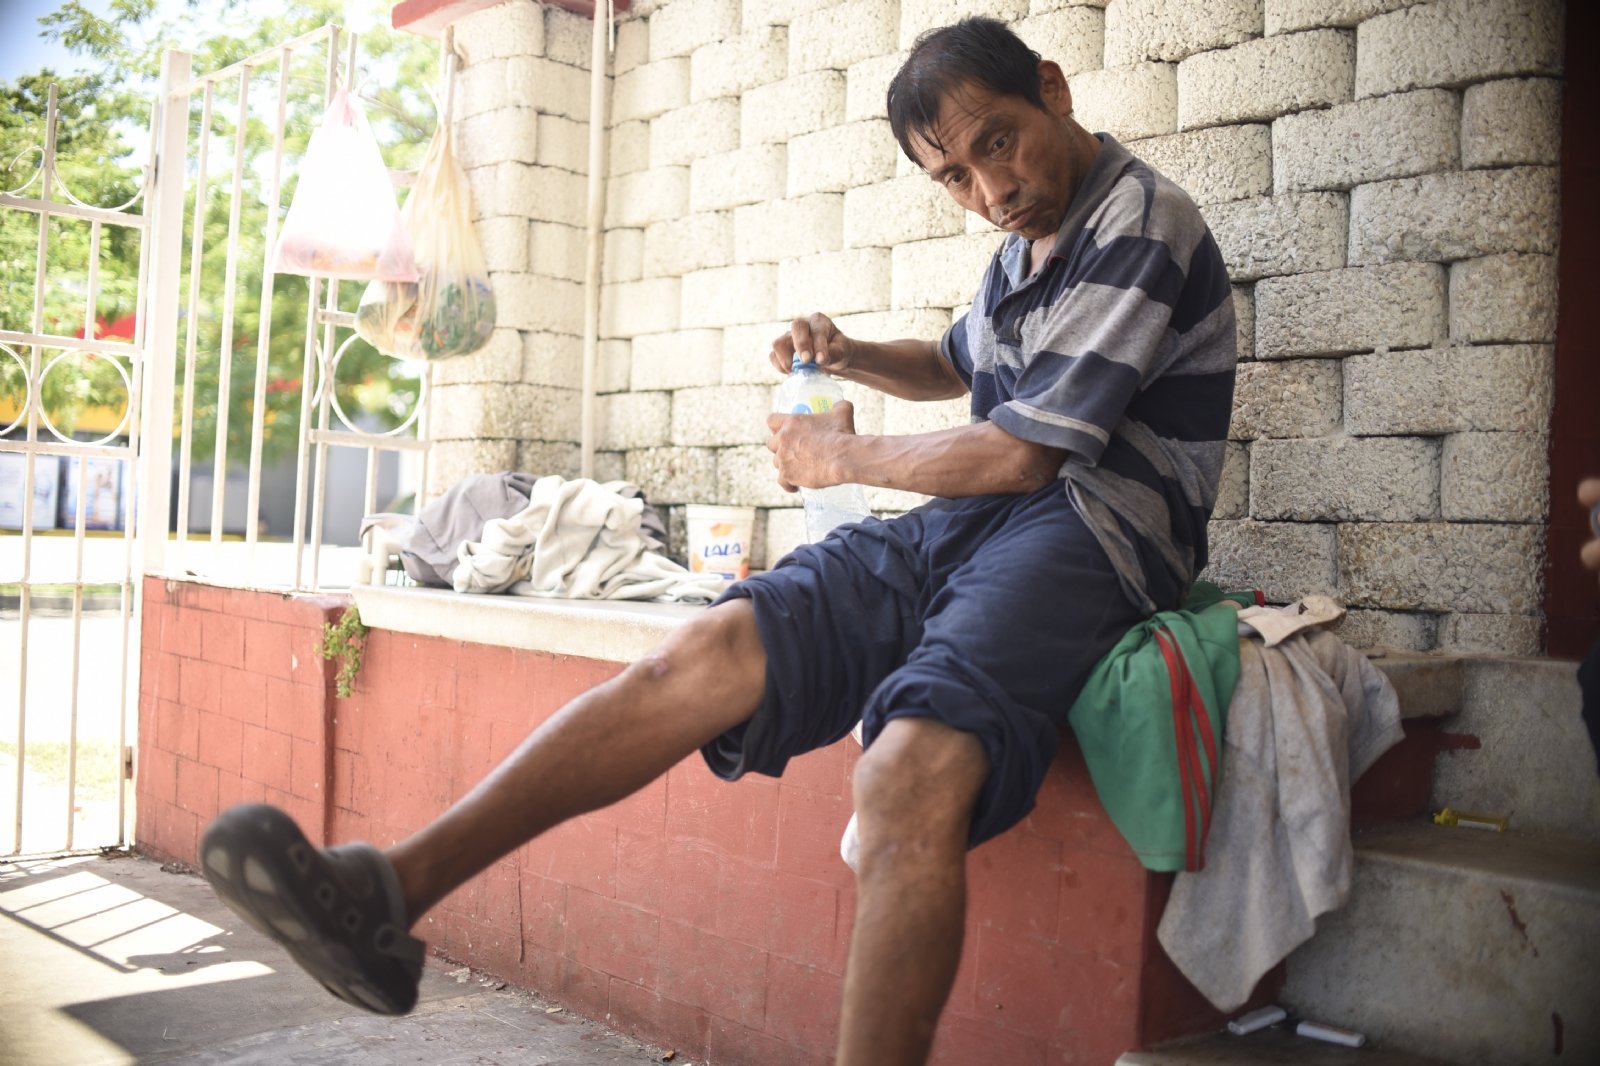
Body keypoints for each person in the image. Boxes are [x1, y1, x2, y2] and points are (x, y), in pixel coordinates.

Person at [198, 18, 1236, 1066]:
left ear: (1053, 90)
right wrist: (852, 352)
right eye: (953, 176)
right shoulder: (1022, 245)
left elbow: (1025, 454)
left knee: (904, 772)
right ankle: (391, 893)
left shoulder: (1141, 220)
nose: (988, 188)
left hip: (1096, 532)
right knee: (704, 650)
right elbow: (954, 364)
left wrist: (840, 461)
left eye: (997, 143)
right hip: (973, 520)